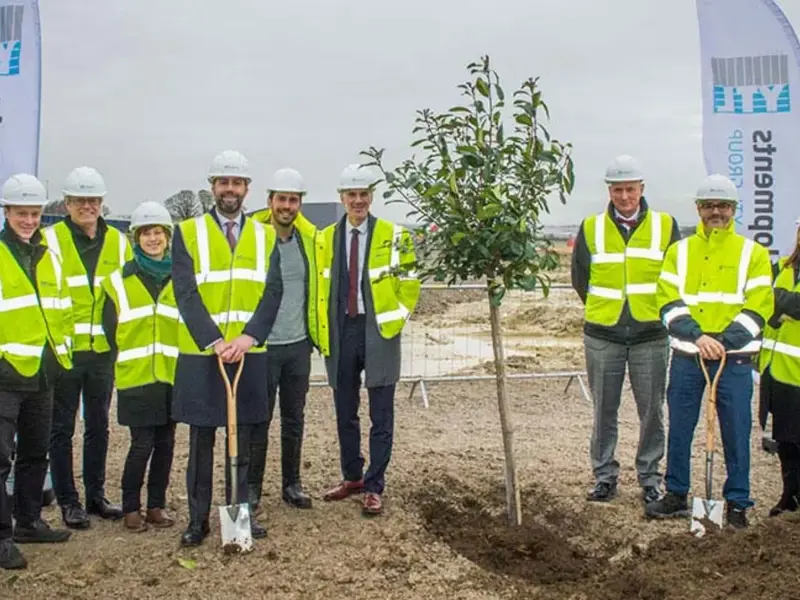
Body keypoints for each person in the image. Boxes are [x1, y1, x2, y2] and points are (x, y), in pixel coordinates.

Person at [645, 174, 773, 528]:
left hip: (734, 360)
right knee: (681, 427)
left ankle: (737, 503)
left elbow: (760, 305)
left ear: (733, 210)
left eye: (723, 206)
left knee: (735, 431)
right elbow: (667, 302)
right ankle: (676, 494)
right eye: (709, 206)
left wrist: (724, 342)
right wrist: (699, 336)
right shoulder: (679, 251)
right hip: (689, 356)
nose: (716, 211)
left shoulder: (754, 253)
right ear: (699, 209)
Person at [171, 150, 281, 547]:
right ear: (212, 186)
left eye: (236, 183)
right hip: (204, 355)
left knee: (247, 436)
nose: (229, 190)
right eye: (223, 182)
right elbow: (185, 292)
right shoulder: (187, 232)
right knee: (202, 442)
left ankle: (240, 513)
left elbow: (272, 291)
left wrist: (248, 337)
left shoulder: (265, 235)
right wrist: (215, 340)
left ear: (247, 189)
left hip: (249, 353)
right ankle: (197, 520)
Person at [571, 155, 681, 504]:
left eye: (630, 189)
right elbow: (581, 278)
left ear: (641, 189)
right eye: (617, 189)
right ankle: (605, 476)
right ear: (609, 191)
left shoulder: (666, 226)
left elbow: (674, 275)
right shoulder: (591, 227)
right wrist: (605, 311)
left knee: (652, 411)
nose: (624, 196)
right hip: (604, 335)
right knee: (604, 409)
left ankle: (650, 477)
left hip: (651, 334)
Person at [321, 164, 420, 516]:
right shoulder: (326, 238)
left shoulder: (396, 235)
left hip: (379, 331)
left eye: (364, 194)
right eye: (352, 194)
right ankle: (352, 477)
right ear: (342, 198)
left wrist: (394, 320)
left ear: (372, 197)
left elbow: (410, 283)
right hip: (342, 330)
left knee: (381, 413)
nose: (358, 200)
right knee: (345, 411)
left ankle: (375, 484)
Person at [44, 166, 131, 528]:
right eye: (80, 200)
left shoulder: (119, 242)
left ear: (101, 203)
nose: (87, 206)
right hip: (64, 352)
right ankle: (69, 501)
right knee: (61, 428)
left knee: (98, 425)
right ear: (67, 204)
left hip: (102, 353)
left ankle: (95, 495)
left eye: (93, 200)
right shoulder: (49, 241)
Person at [0, 174, 73, 570]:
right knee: (0, 460)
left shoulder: (47, 254)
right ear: (7, 212)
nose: (29, 220)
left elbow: (59, 309)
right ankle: (1, 537)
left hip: (43, 372)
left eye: (34, 213)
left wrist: (62, 355)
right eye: (21, 213)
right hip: (5, 374)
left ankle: (28, 521)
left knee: (33, 453)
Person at [247, 168, 328, 512]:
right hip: (262, 346)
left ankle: (291, 484)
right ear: (270, 201)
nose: (287, 206)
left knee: (294, 418)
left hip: (297, 345)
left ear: (300, 204)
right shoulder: (252, 238)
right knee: (258, 421)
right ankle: (251, 488)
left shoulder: (309, 241)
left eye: (293, 200)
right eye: (281, 199)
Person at [101, 201, 178, 532]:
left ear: (167, 236)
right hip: (136, 377)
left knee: (166, 444)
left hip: (171, 375)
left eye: (158, 232)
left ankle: (156, 506)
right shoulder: (119, 280)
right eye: (146, 233)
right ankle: (131, 507)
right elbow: (109, 327)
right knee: (141, 444)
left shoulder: (181, 277)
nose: (153, 238)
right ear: (136, 238)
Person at [758, 216, 800, 517]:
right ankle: (791, 495)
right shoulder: (784, 267)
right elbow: (766, 301)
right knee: (786, 440)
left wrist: (783, 304)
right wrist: (783, 305)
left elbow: (786, 303)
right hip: (778, 370)